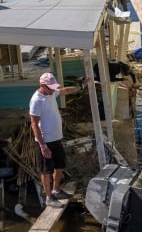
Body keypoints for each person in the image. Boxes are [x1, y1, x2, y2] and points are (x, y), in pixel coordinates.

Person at [29, 72, 82, 208]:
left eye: (53, 87)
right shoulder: (36, 100)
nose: (53, 90)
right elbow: (34, 124)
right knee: (46, 171)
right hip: (45, 142)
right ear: (42, 85)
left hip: (56, 138)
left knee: (59, 166)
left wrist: (80, 86)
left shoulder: (51, 93)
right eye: (50, 87)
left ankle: (56, 190)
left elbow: (64, 91)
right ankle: (49, 197)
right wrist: (42, 146)